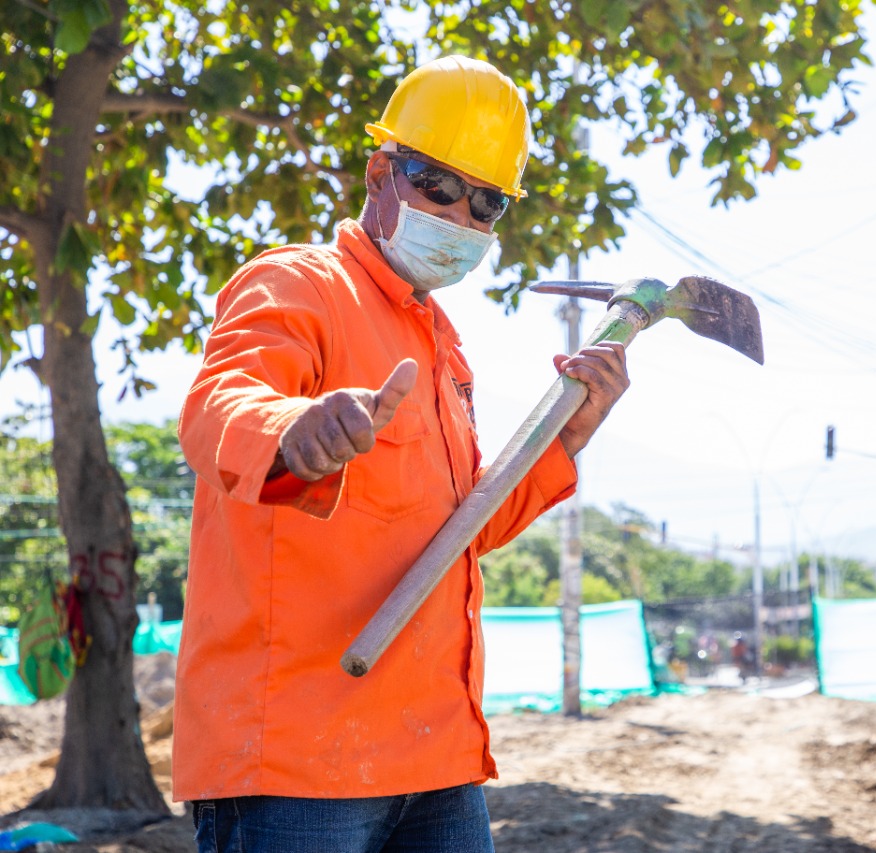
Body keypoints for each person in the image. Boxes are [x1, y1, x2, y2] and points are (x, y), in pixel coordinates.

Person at [173, 56, 630, 853]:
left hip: (436, 757)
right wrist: (293, 429)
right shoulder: (296, 285)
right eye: (438, 185)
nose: (461, 214)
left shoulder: (444, 348)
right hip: (296, 761)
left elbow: (463, 529)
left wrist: (569, 436)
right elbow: (217, 408)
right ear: (380, 171)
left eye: (487, 201)